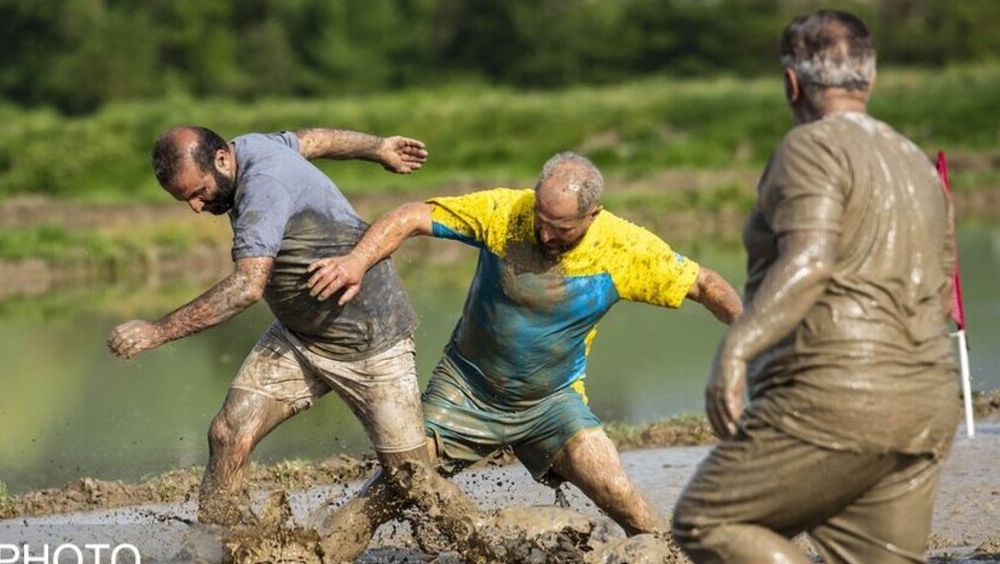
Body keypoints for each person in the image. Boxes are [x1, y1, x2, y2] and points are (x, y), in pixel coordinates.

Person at [671, 10, 960, 564]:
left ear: (790, 83)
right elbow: (942, 282)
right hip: (925, 397)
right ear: (871, 76)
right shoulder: (916, 161)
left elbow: (809, 257)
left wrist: (736, 346)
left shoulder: (809, 148)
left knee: (707, 521)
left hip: (834, 394)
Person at [307, 152, 742, 541]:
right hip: (466, 390)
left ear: (593, 215)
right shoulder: (505, 212)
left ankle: (670, 559)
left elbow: (703, 283)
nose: (546, 235)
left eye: (562, 229)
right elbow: (411, 216)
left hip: (551, 401)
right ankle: (322, 556)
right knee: (397, 482)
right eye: (542, 220)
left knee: (617, 490)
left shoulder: (624, 248)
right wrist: (356, 263)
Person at [108, 126, 487, 564]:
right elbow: (315, 140)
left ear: (221, 160)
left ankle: (492, 547)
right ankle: (216, 555)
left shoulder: (262, 186)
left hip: (369, 341)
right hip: (299, 338)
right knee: (229, 432)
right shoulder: (251, 147)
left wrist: (158, 331)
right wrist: (377, 148)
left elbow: (247, 287)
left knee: (412, 479)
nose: (197, 207)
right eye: (186, 200)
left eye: (199, 193)